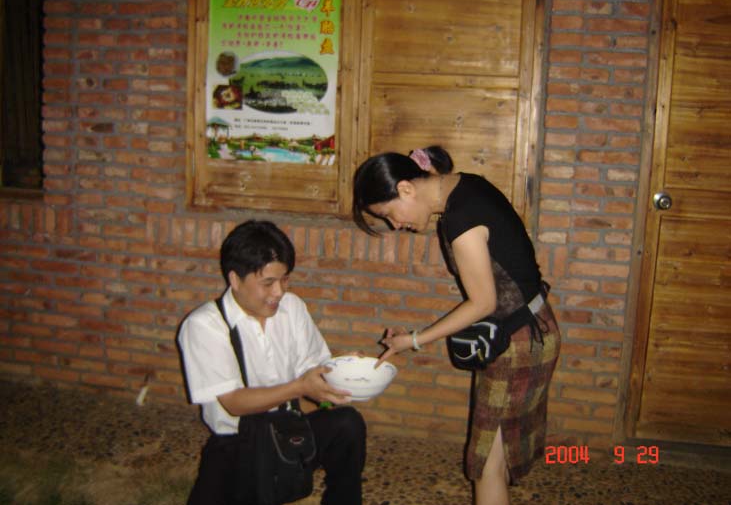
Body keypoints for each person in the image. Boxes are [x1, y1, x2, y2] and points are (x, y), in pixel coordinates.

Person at [352, 146, 560, 505]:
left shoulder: (461, 219)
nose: (394, 225)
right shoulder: (466, 186)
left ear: (406, 188)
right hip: (528, 329)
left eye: (388, 214)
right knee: (497, 454)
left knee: (486, 463)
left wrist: (413, 340)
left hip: (519, 342)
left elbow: (483, 303)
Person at [178, 219, 366, 505]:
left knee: (348, 424)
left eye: (285, 279)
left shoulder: (292, 308)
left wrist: (345, 369)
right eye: (268, 283)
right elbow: (233, 402)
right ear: (235, 280)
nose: (279, 292)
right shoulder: (205, 325)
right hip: (238, 444)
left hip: (291, 427)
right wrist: (299, 387)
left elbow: (314, 370)